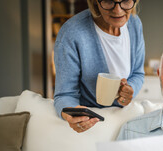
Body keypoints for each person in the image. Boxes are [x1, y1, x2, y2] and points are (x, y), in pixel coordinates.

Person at [54, 0, 145, 133]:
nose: (118, 10)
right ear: (95, 2)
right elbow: (64, 95)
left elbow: (138, 73)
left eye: (125, 1)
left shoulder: (135, 23)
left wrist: (129, 89)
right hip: (90, 128)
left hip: (122, 124)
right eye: (108, 1)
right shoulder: (72, 33)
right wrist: (71, 114)